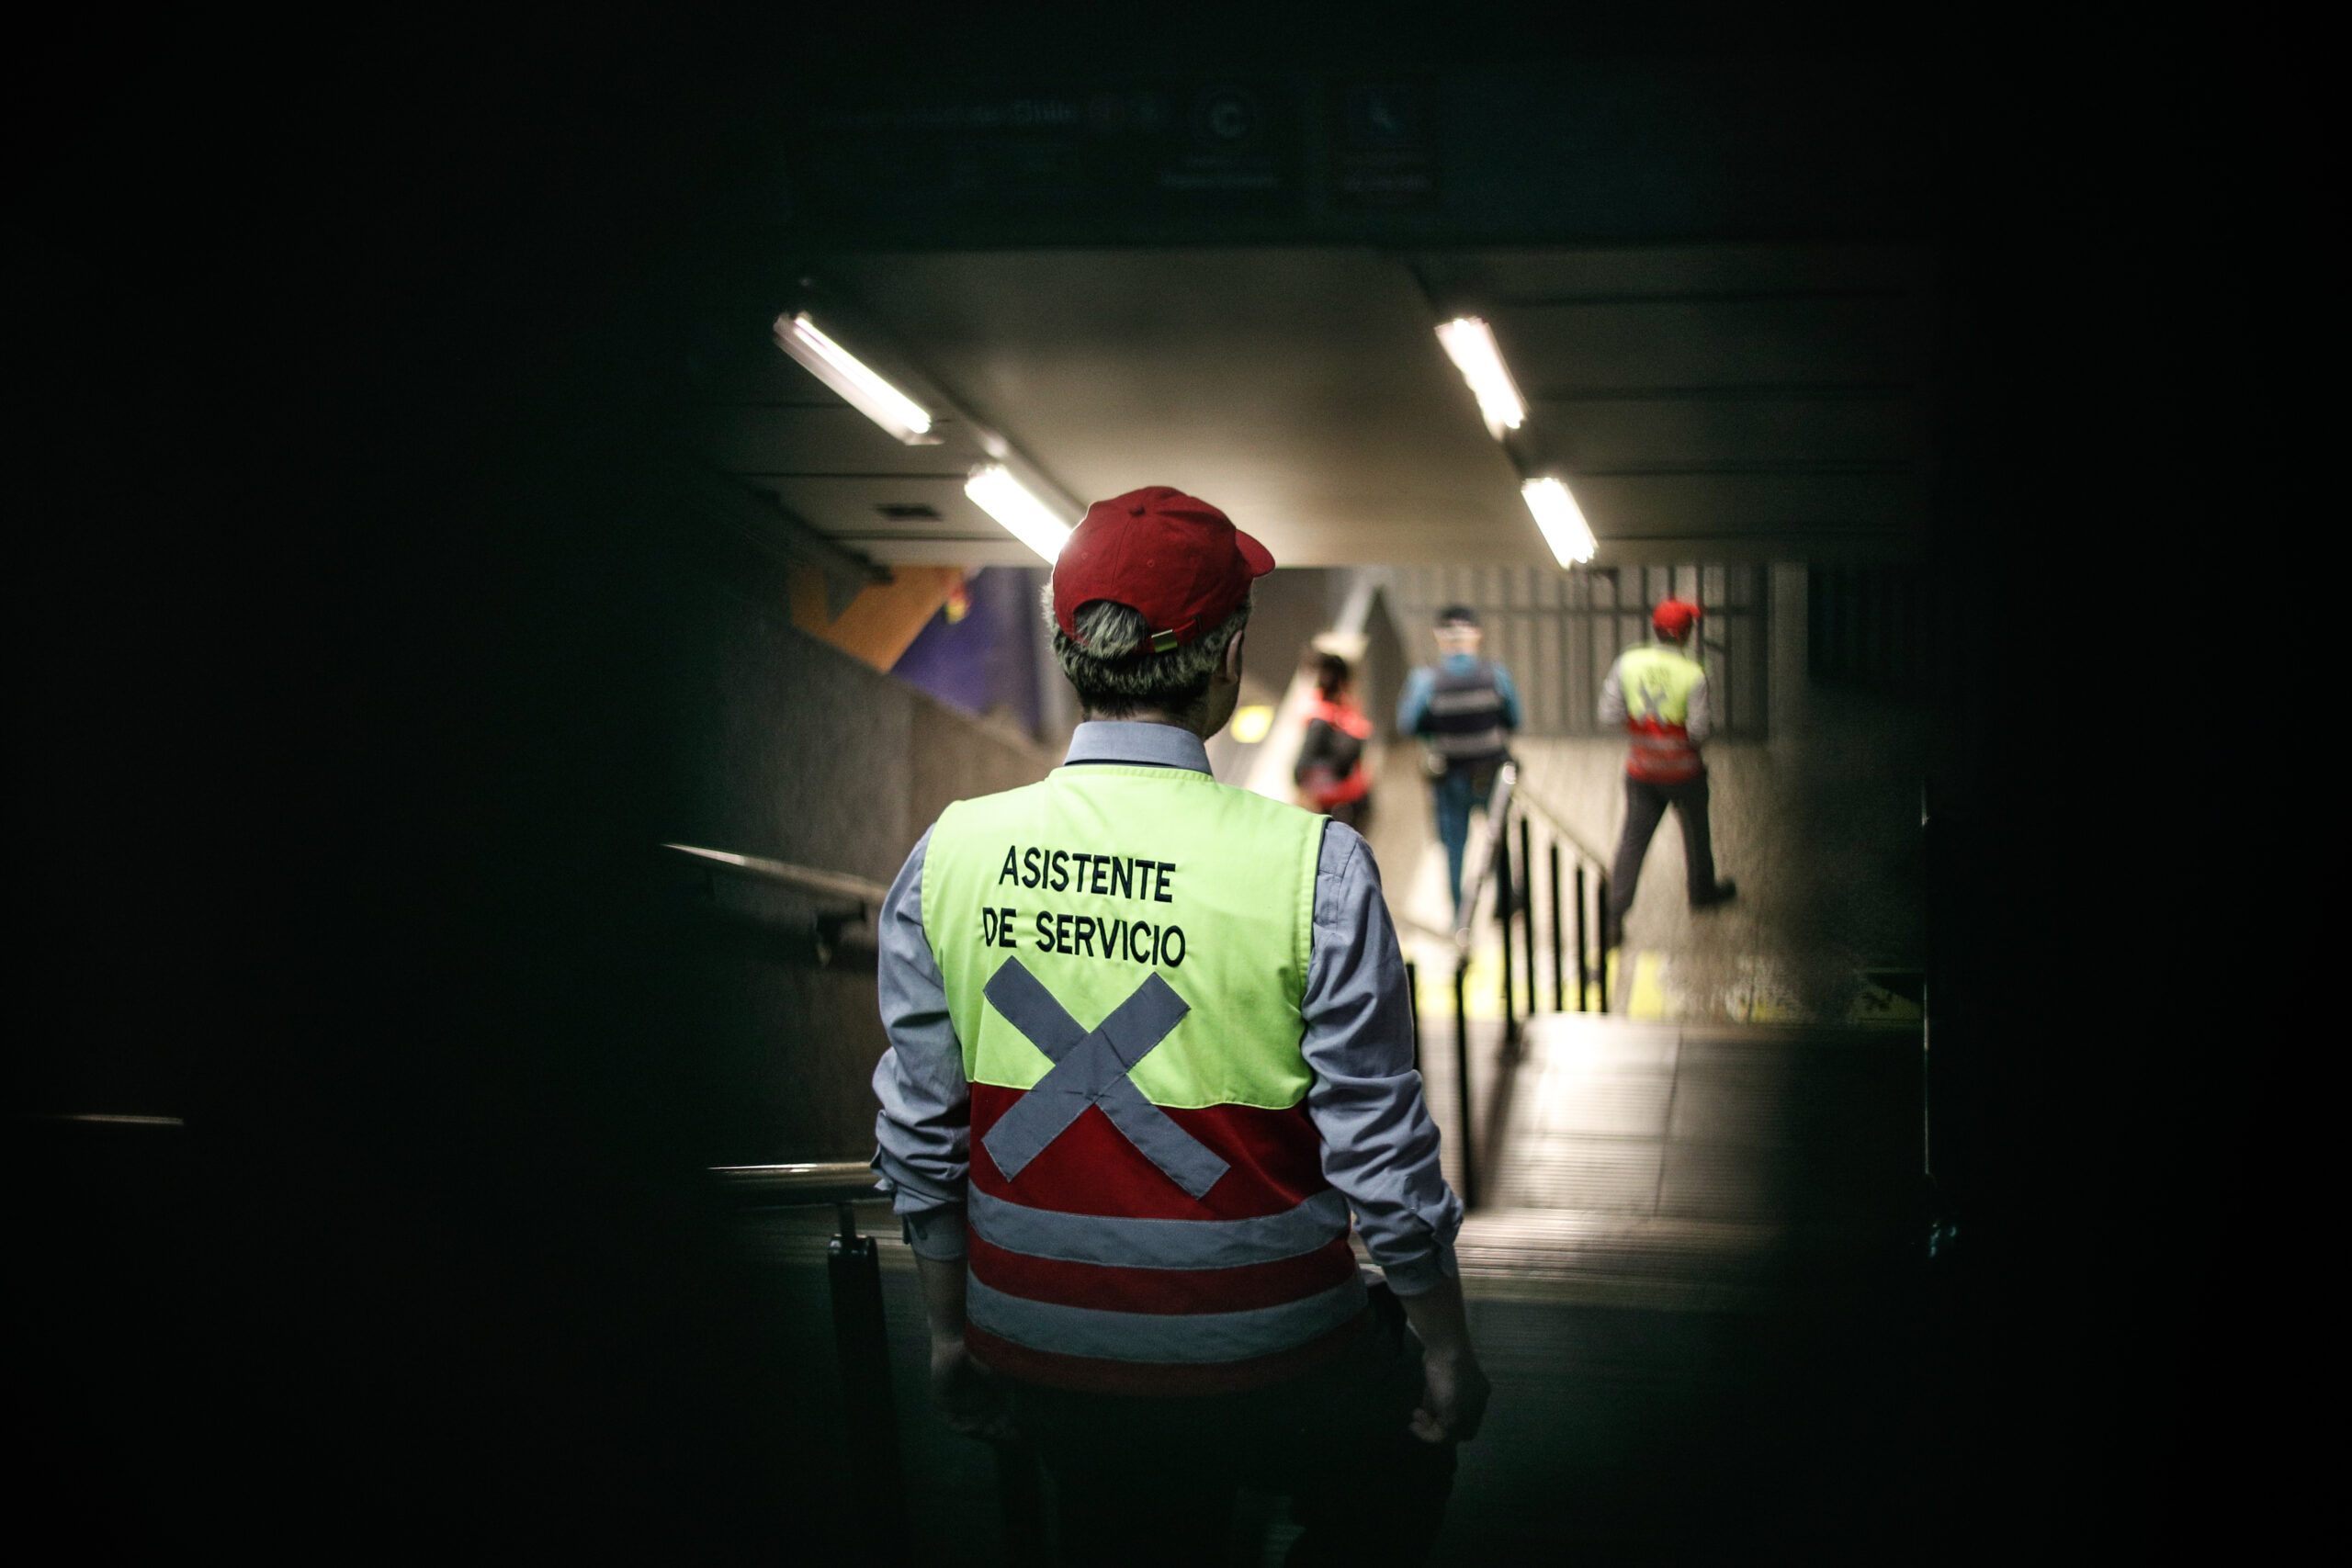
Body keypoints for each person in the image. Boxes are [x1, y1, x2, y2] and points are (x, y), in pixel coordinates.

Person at [870, 486, 1487, 1567]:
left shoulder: (949, 854)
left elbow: (924, 1134)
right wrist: (1445, 1351)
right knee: (1402, 1451)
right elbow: (1381, 1158)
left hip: (1038, 1346)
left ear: (1067, 650)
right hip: (1276, 1354)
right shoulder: (1314, 869)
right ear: (1228, 654)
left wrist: (948, 1332)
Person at [1600, 598, 1736, 948]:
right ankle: (1702, 893)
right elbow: (1699, 731)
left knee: (1632, 843)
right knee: (1697, 836)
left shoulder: (1628, 662)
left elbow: (1609, 713)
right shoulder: (1694, 673)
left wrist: (1642, 735)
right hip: (1685, 776)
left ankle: (1614, 918)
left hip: (1641, 772)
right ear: (1686, 633)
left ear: (1656, 630)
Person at [1397, 606, 1522, 917]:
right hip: (1492, 773)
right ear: (1477, 635)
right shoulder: (1496, 674)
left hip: (1449, 777)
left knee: (1455, 849)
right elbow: (1514, 719)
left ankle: (1459, 916)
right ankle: (1505, 907)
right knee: (1497, 839)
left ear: (1439, 637)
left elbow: (1407, 724)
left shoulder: (1426, 680)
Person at [1294, 651, 1374, 831]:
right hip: (1340, 807)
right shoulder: (1322, 720)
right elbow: (1302, 771)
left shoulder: (1339, 710)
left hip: (1351, 800)